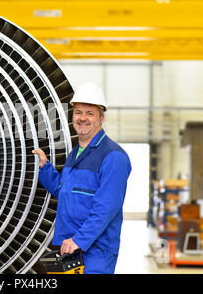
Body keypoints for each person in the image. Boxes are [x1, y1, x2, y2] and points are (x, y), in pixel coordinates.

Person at [32, 82, 131, 274]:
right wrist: (45, 168)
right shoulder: (75, 154)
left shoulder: (113, 157)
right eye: (78, 112)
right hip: (70, 249)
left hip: (95, 253)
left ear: (101, 119)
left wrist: (79, 240)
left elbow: (106, 208)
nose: (82, 118)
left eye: (89, 113)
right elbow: (66, 192)